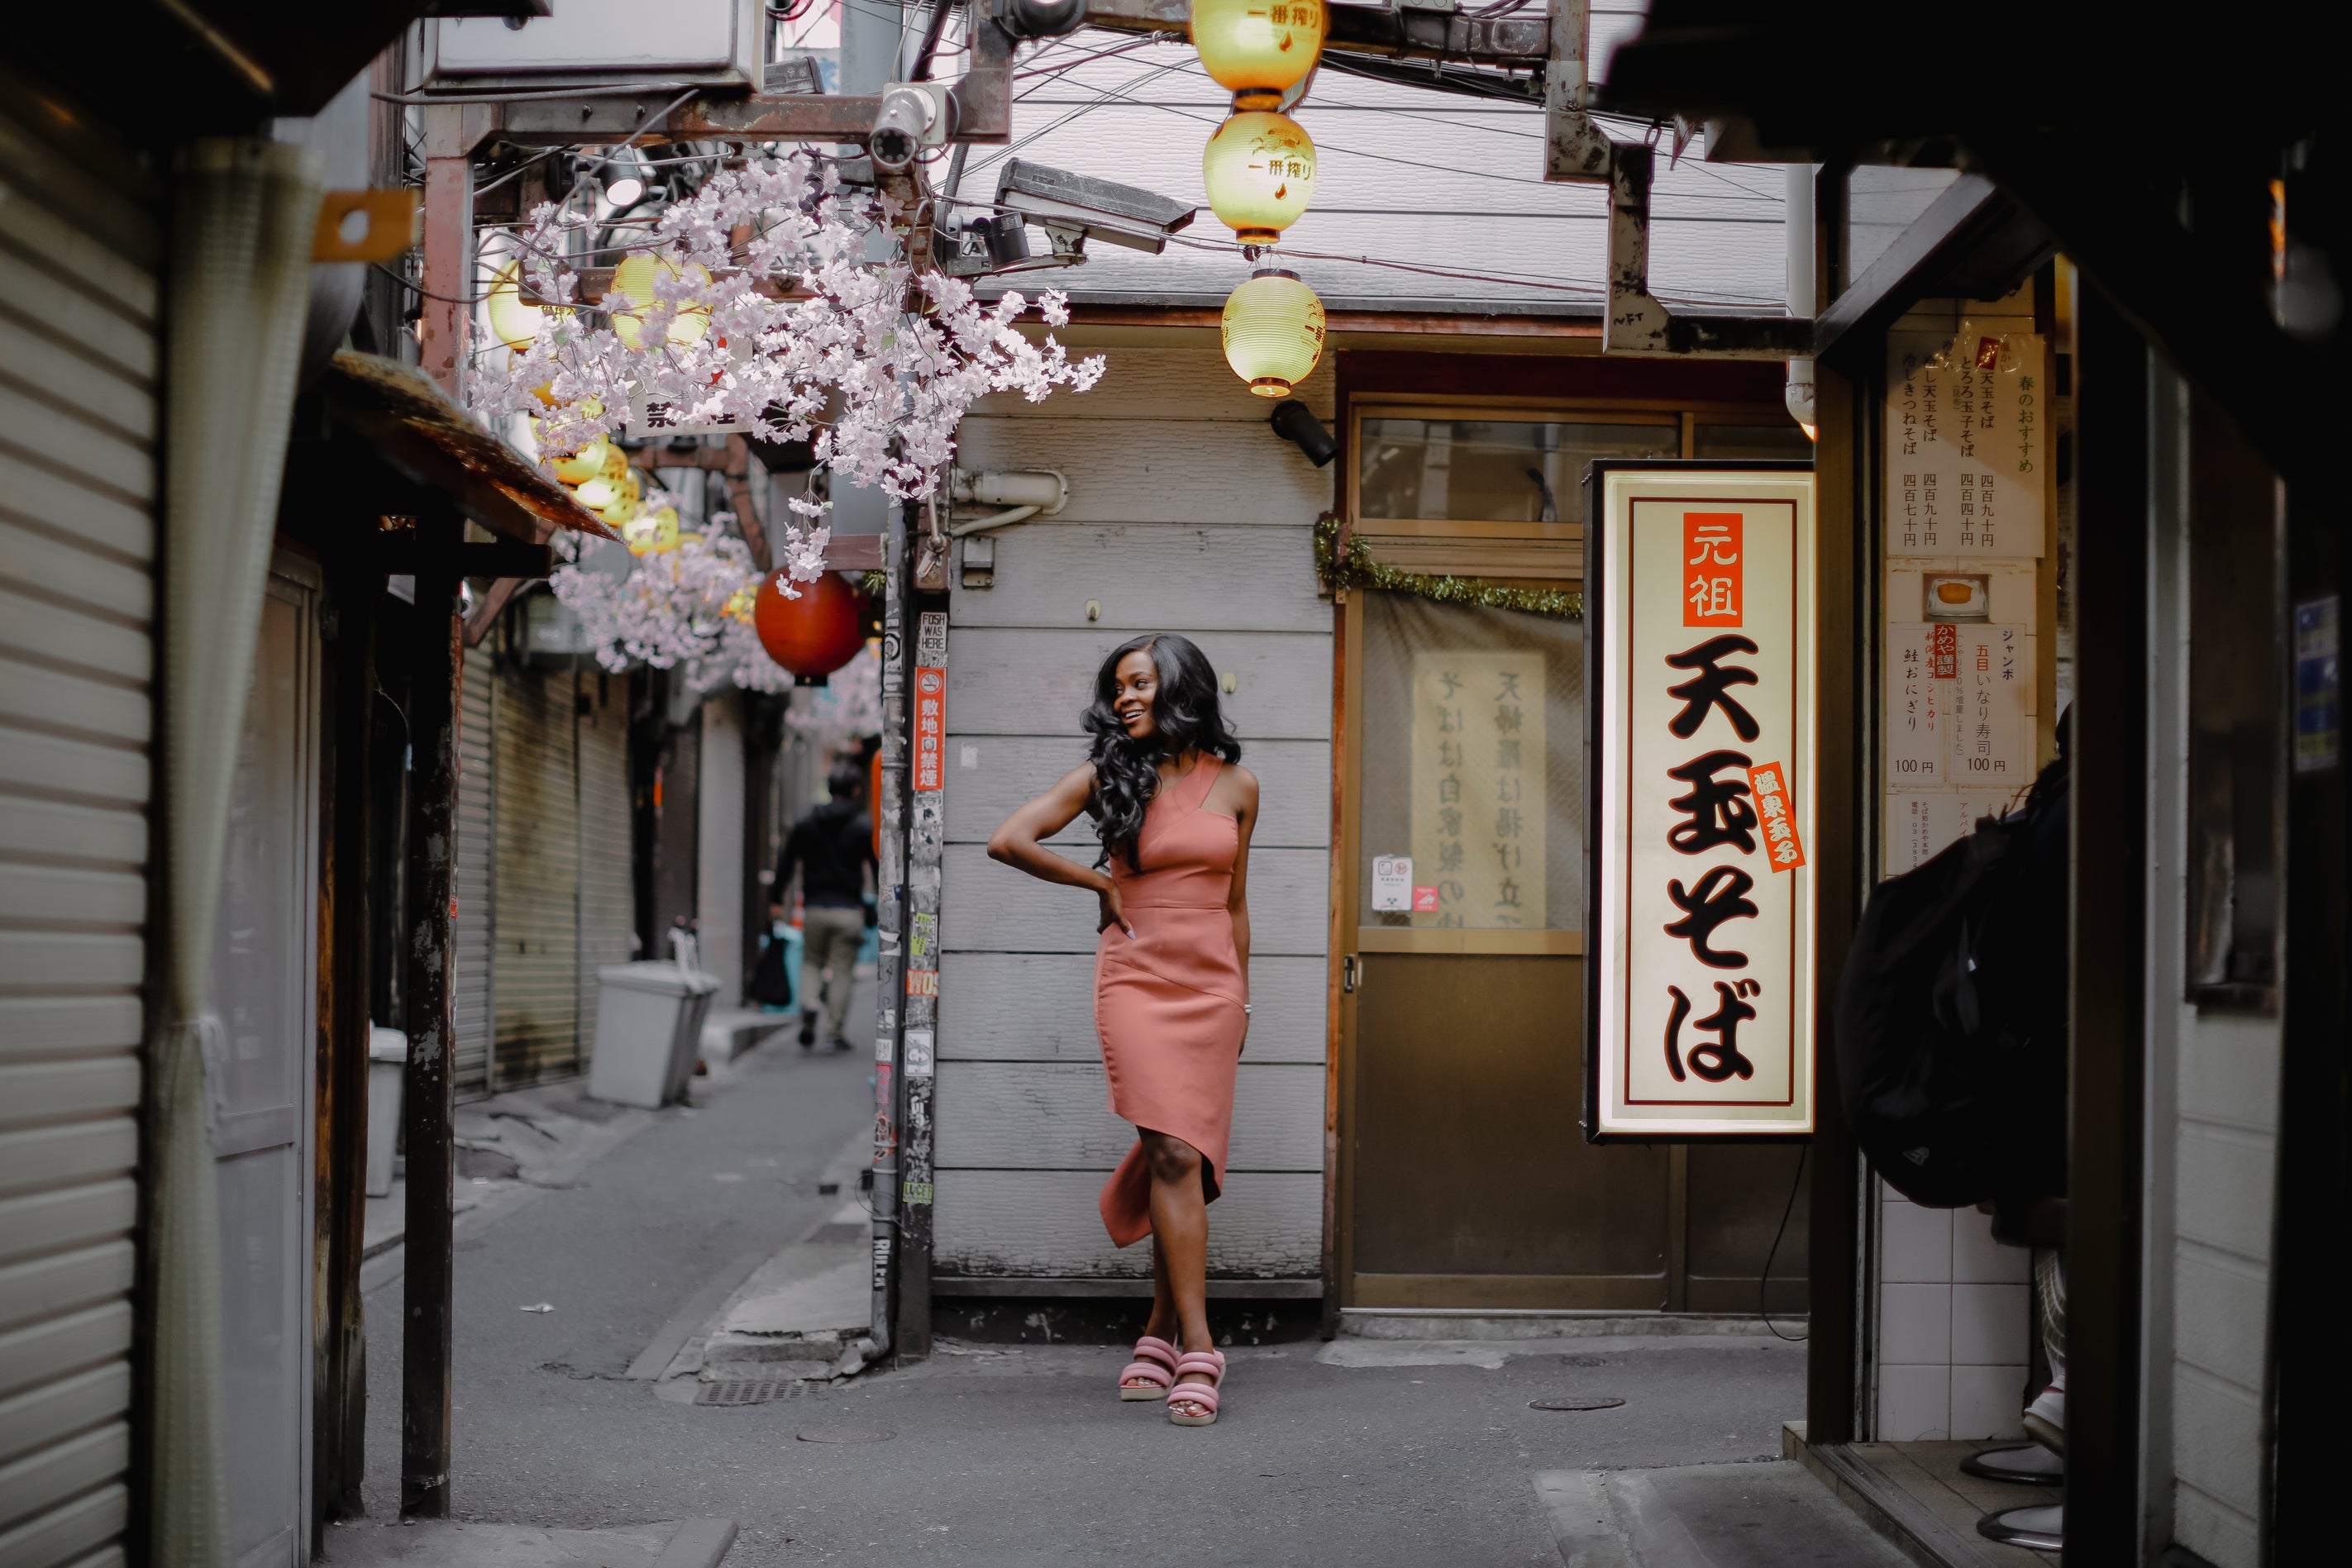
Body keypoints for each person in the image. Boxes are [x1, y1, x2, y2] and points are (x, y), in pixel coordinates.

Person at [987, 634, 1258, 1427]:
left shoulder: (1239, 786)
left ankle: (1158, 1329)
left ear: (1181, 686)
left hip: (1213, 988)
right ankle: (1203, 1348)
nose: (1124, 699)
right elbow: (1010, 838)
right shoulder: (1109, 774)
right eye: (1118, 688)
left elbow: (1235, 905)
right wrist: (1099, 881)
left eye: (1139, 683)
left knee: (1186, 1161)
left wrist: (1242, 998)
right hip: (1137, 978)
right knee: (1171, 1150)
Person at [772, 757, 876, 1051]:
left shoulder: (806, 824)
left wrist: (776, 897)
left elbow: (786, 862)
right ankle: (834, 1032)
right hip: (848, 910)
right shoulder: (862, 826)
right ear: (856, 791)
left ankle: (809, 1004)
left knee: (811, 961)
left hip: (815, 908)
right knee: (843, 970)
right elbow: (878, 865)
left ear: (829, 789)